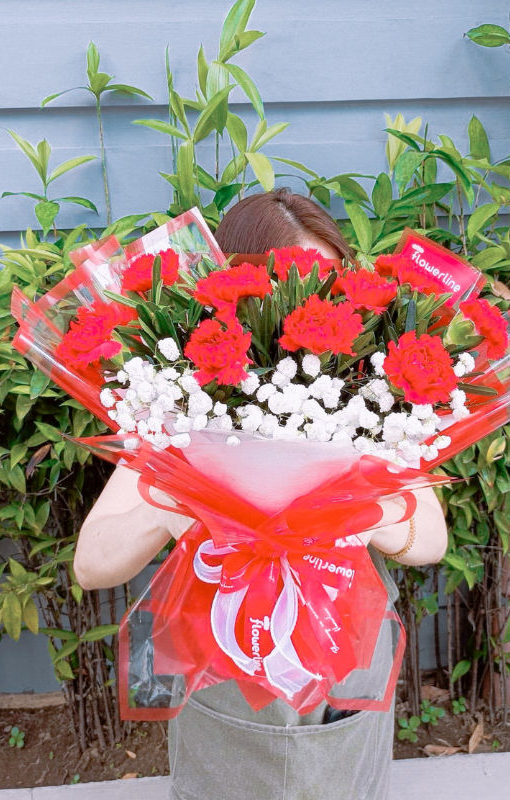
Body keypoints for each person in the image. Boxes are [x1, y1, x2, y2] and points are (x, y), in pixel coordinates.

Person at [74, 188, 448, 800]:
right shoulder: (186, 409)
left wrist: (360, 508)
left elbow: (429, 538)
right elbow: (91, 564)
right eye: (293, 280)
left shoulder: (373, 403)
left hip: (345, 669)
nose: (315, 302)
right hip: (222, 677)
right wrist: (184, 498)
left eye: (329, 282)